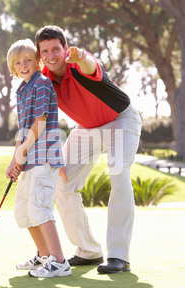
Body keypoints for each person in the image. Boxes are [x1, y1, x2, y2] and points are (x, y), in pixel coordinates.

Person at [35, 26, 142, 274]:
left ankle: (119, 256)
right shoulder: (44, 80)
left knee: (118, 175)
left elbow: (90, 66)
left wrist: (81, 56)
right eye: (46, 51)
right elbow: (46, 119)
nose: (52, 55)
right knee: (62, 184)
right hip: (85, 128)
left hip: (121, 120)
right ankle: (88, 250)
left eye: (56, 49)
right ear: (41, 55)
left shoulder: (78, 63)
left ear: (64, 49)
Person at [5, 38, 71, 278]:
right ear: (13, 68)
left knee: (40, 208)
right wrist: (15, 159)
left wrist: (22, 151)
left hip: (45, 157)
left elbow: (39, 122)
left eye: (29, 60)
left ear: (37, 62)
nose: (24, 65)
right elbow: (22, 129)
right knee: (23, 210)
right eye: (18, 63)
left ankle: (59, 262)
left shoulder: (41, 84)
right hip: (30, 158)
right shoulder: (22, 90)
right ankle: (44, 256)